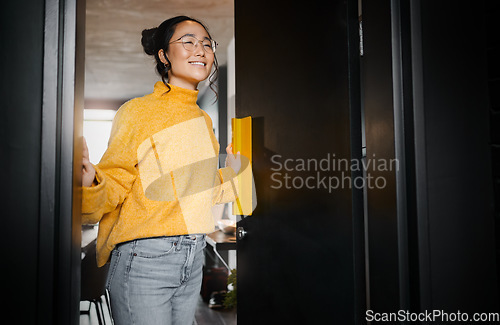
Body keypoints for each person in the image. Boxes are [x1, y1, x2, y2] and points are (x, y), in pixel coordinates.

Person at [81, 15, 241, 325]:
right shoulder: (138, 111)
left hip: (193, 256)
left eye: (207, 44)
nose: (201, 50)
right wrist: (91, 183)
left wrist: (232, 173)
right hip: (145, 259)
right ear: (164, 56)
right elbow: (115, 180)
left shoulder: (203, 121)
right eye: (189, 42)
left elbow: (197, 190)